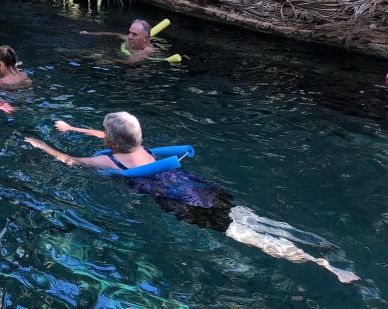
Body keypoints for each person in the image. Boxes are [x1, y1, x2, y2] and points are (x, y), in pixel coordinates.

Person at [25, 112, 359, 283]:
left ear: (110, 142)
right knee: (252, 219)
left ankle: (325, 267)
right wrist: (74, 128)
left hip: (181, 203)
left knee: (245, 236)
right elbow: (111, 135)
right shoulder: (145, 149)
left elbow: (70, 161)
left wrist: (42, 145)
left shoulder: (109, 161)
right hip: (200, 187)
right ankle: (316, 244)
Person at [80, 19, 154, 63]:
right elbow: (115, 34)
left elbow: (130, 62)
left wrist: (108, 58)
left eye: (134, 34)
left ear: (145, 38)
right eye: (129, 32)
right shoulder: (130, 39)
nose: (129, 37)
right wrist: (90, 33)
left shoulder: (145, 51)